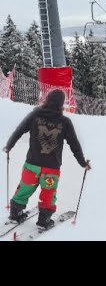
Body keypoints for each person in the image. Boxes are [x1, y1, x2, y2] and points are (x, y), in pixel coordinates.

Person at [2, 89, 91, 229]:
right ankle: (43, 221)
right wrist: (83, 163)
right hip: (51, 168)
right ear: (61, 104)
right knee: (48, 193)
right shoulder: (65, 122)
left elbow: (19, 131)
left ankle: (15, 213)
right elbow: (74, 144)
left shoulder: (35, 115)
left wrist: (9, 146)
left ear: (47, 99)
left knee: (24, 188)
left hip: (31, 164)